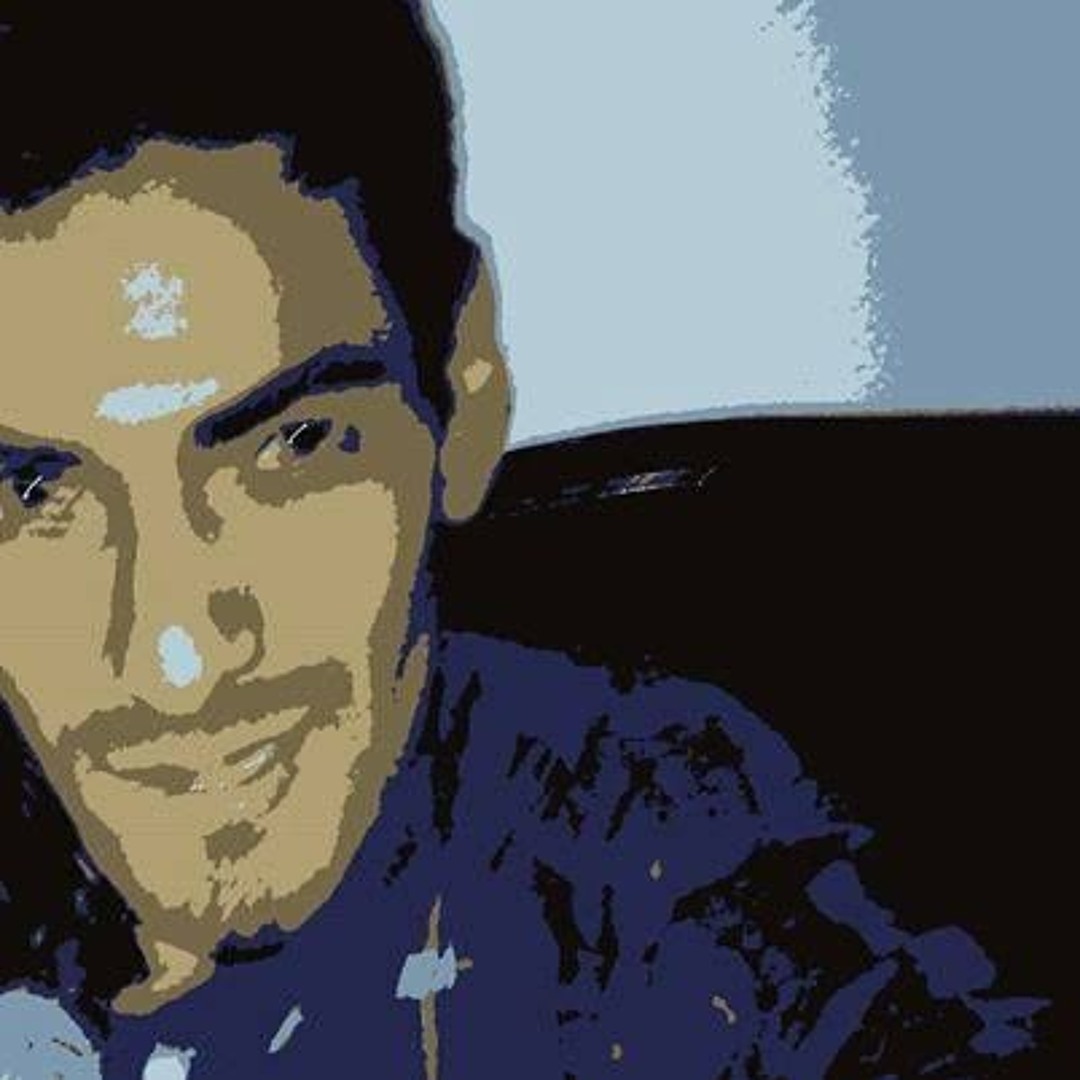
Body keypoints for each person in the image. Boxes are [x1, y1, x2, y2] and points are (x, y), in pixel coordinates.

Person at [0, 3, 1049, 1077]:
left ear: (463, 388)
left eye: (296, 447)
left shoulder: (636, 853)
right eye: (35, 495)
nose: (173, 660)